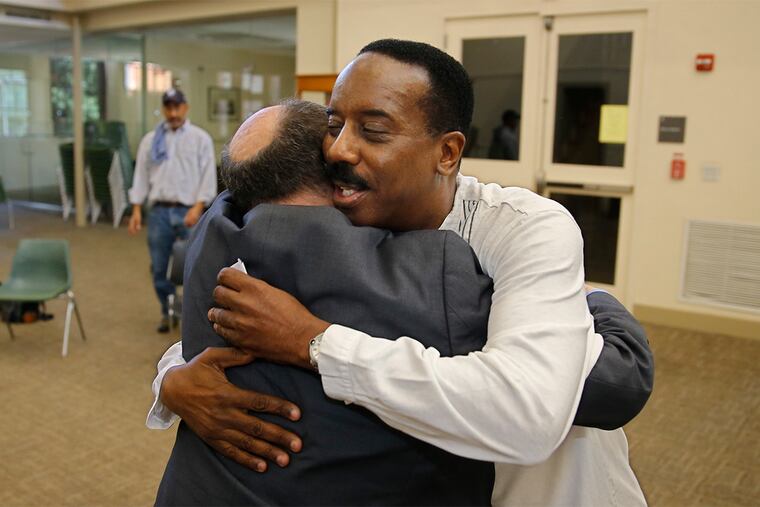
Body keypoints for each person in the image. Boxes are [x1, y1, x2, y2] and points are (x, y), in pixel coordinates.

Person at [149, 40, 651, 505]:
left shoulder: (520, 229)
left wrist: (313, 341)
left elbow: (538, 406)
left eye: (373, 130)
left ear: (447, 152)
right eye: (334, 124)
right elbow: (236, 290)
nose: (340, 150)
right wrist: (171, 379)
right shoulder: (341, 209)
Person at [156, 99, 496, 505]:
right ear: (336, 168)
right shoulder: (435, 270)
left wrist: (169, 380)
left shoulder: (214, 234)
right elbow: (552, 383)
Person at [128, 89, 217, 333]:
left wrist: (198, 207)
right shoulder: (151, 140)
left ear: (186, 107)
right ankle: (167, 310)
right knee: (159, 267)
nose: (173, 112)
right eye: (169, 107)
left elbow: (207, 176)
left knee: (193, 266)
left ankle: (191, 316)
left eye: (177, 107)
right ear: (164, 109)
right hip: (159, 213)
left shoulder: (200, 139)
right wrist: (136, 209)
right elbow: (141, 177)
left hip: (189, 211)